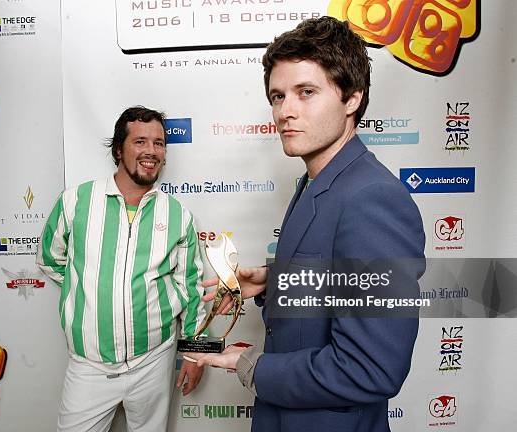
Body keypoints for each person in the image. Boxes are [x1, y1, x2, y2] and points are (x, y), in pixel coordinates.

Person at [193, 17, 426, 432]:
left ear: (352, 99)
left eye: (306, 92)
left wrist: (254, 367)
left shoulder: (373, 199)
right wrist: (275, 281)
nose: (285, 111)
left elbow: (370, 368)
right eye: (278, 96)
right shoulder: (317, 181)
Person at [37, 106, 206, 432]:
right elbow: (50, 259)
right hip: (89, 365)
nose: (151, 151)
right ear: (119, 149)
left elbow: (191, 287)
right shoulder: (76, 201)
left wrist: (196, 354)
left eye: (159, 143)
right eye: (140, 141)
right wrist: (90, 286)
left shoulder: (176, 215)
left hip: (153, 360)